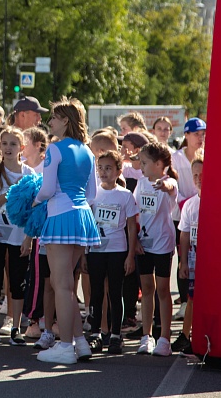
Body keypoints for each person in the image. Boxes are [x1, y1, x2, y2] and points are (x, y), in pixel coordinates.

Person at [34, 96, 100, 365]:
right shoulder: (88, 152)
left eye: (53, 117)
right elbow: (92, 194)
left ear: (64, 120)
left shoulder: (55, 148)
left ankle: (64, 347)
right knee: (67, 285)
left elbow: (47, 189)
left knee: (61, 284)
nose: (50, 122)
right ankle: (80, 343)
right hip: (83, 216)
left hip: (61, 215)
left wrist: (32, 201)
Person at [0, 127, 36, 346]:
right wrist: (12, 193)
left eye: (13, 144)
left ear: (21, 147)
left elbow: (33, 208)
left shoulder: (29, 174)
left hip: (19, 234)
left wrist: (29, 238)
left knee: (17, 281)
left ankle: (16, 328)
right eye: (4, 143)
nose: (8, 148)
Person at [86, 150, 139, 355]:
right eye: (100, 168)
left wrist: (130, 255)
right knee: (96, 293)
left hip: (117, 250)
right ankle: (96, 334)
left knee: (116, 293)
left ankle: (116, 335)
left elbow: (132, 227)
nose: (103, 172)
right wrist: (84, 253)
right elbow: (87, 224)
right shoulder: (93, 194)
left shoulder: (125, 195)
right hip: (96, 250)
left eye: (108, 168)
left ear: (118, 171)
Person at [134, 141, 179, 357]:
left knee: (162, 289)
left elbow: (170, 187)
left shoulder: (169, 182)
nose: (141, 166)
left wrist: (164, 185)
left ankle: (164, 339)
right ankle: (147, 336)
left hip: (162, 243)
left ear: (159, 164)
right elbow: (135, 212)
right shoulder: (141, 183)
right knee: (146, 288)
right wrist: (134, 240)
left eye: (145, 162)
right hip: (144, 243)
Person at [172, 117, 206, 320]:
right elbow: (173, 184)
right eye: (196, 134)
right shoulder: (176, 157)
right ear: (186, 135)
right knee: (184, 256)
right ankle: (185, 302)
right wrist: (185, 202)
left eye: (202, 134)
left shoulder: (207, 154)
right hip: (182, 212)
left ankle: (200, 301)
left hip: (202, 210)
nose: (200, 138)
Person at [172, 150, 203, 354]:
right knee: (191, 298)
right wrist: (183, 262)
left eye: (203, 174)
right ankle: (185, 335)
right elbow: (183, 235)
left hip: (210, 261)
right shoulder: (190, 205)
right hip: (193, 259)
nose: (199, 179)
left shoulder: (217, 201)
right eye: (195, 175)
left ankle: (202, 335)